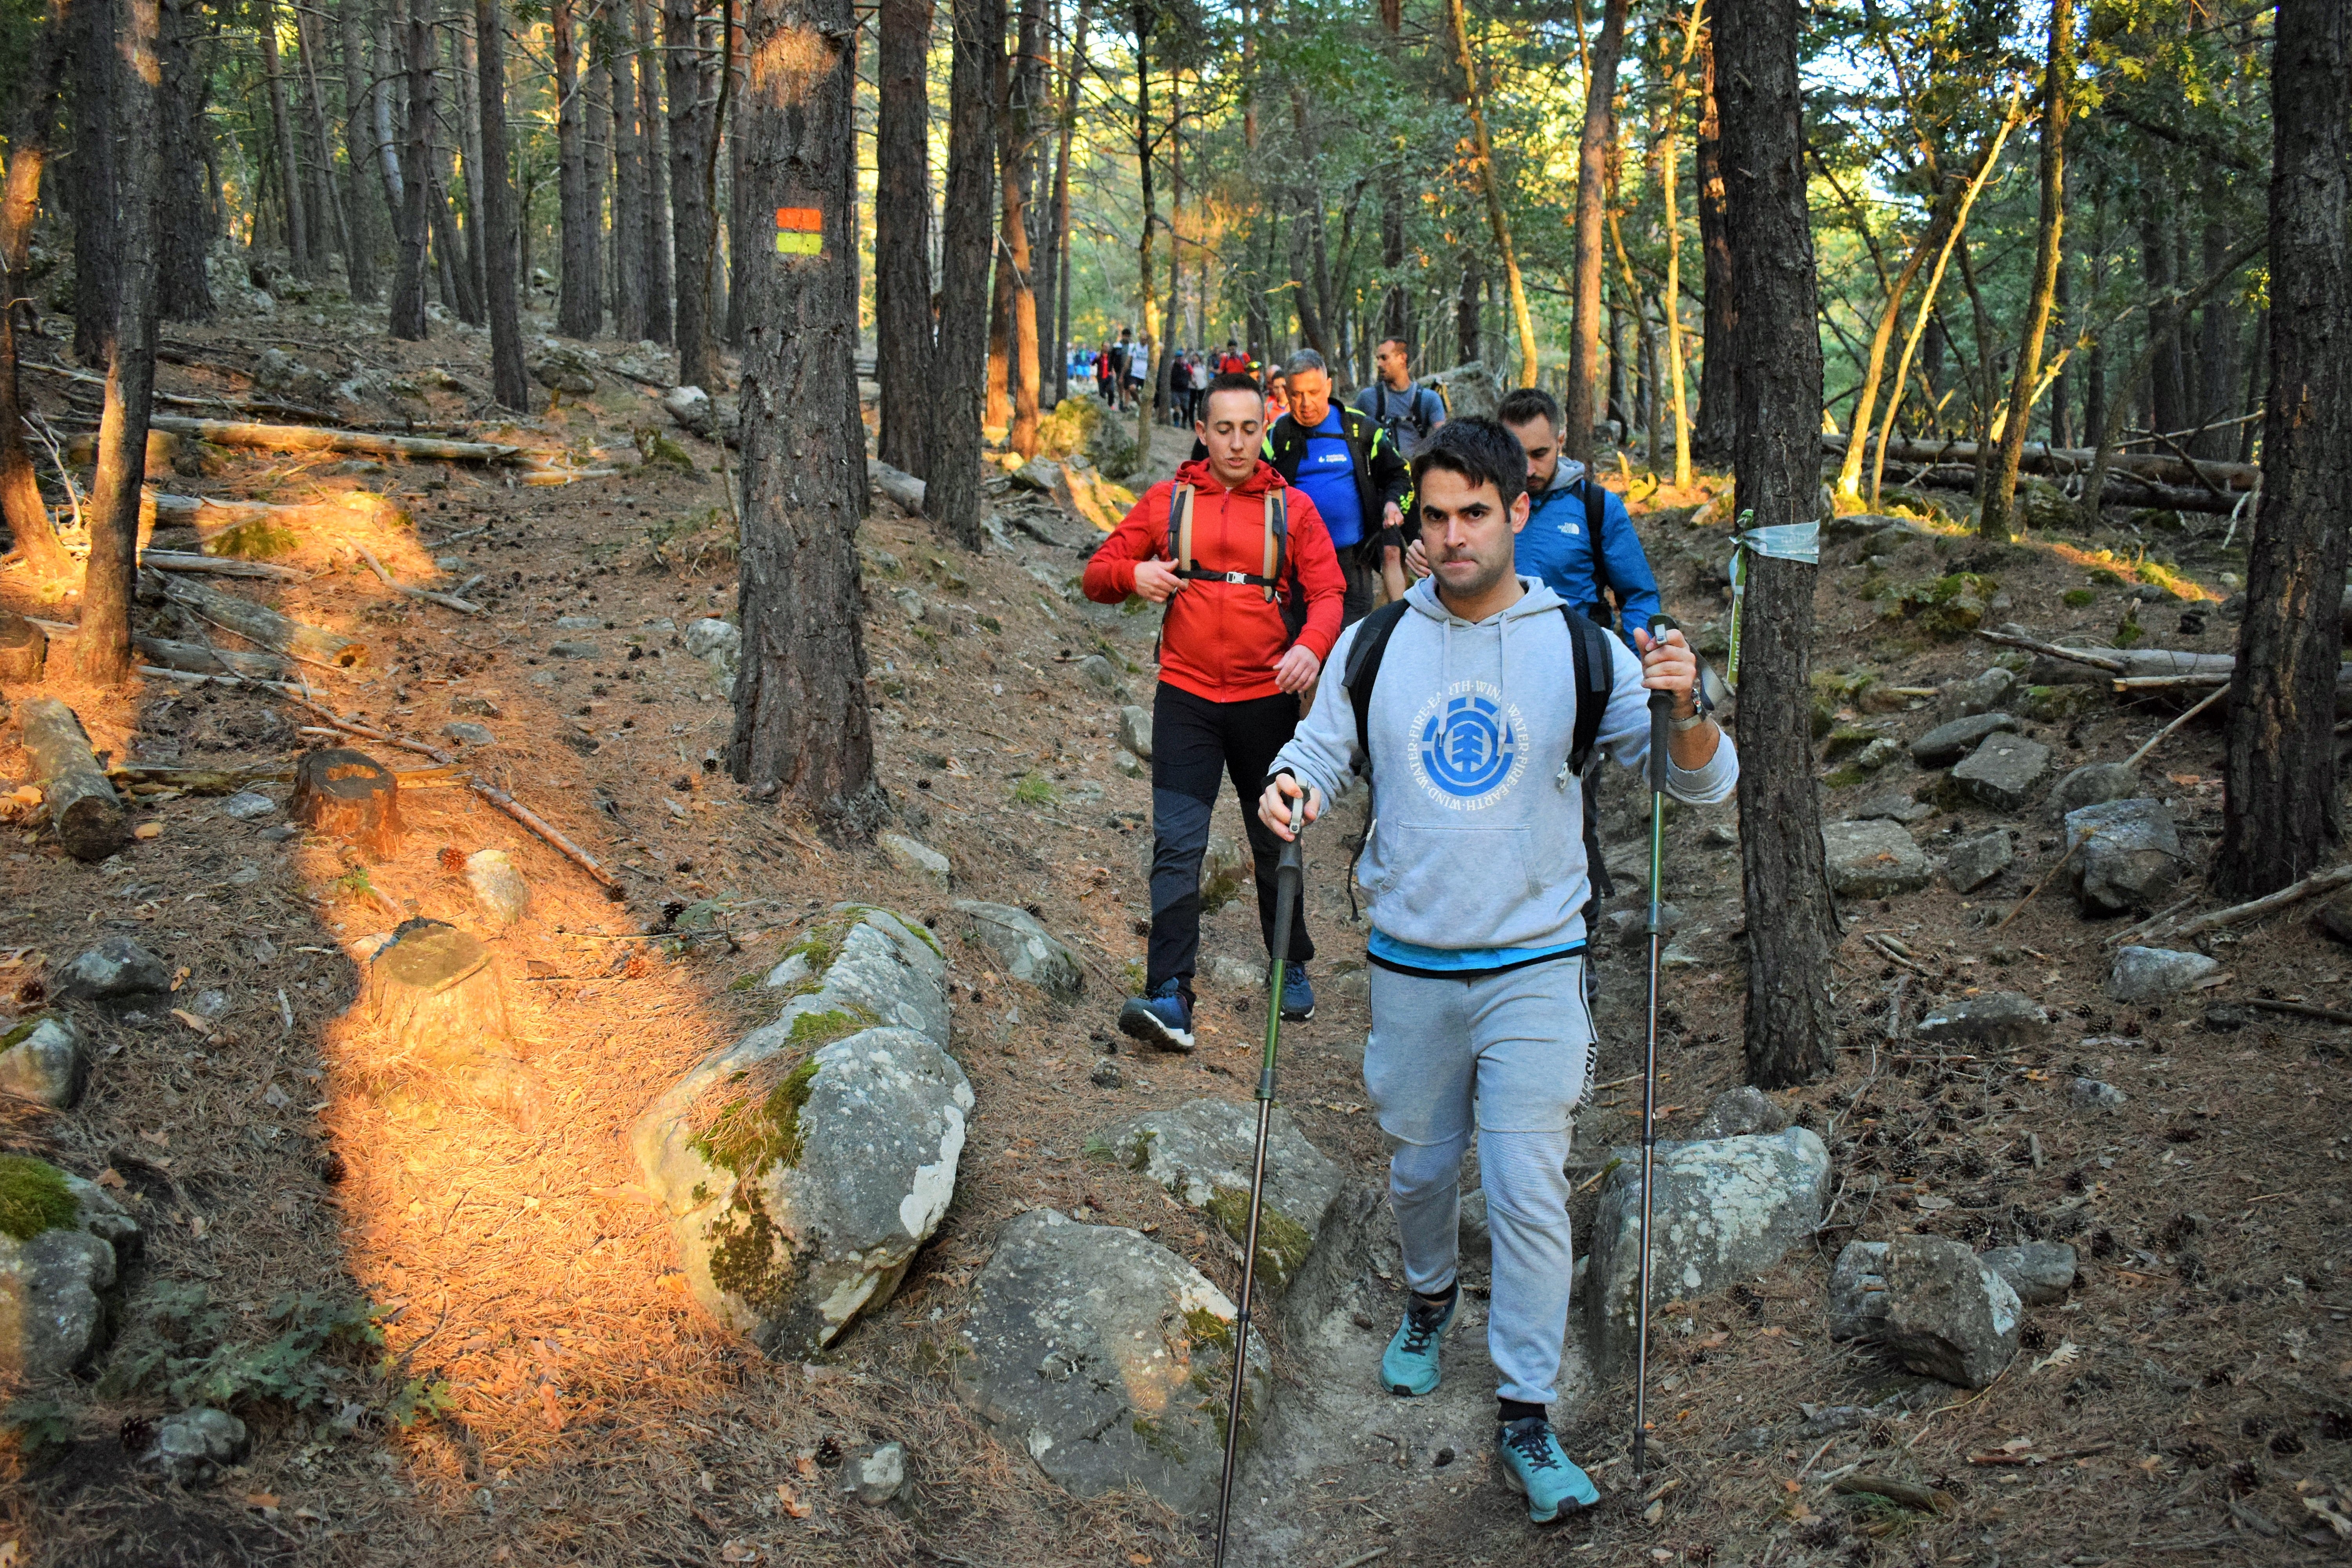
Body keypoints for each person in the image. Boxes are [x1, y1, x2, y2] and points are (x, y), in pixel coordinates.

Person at [1256, 416, 1735, 1526]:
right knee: (1421, 1172)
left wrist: (1690, 704)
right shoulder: (1376, 645)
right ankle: (1428, 1299)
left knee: (1525, 1191)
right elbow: (1320, 749)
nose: (1454, 536)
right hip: (1411, 963)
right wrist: (1293, 786)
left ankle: (1527, 1409)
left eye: (1477, 513)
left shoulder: (1581, 646)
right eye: (1436, 516)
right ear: (1414, 523)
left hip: (1538, 962)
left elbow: (1696, 785)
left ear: (1521, 511)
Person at [1083, 371, 1348, 1048]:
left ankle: (1289, 962)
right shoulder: (1170, 500)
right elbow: (1098, 573)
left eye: (1250, 429)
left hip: (1266, 702)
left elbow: (1328, 593)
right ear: (1201, 432)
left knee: (1275, 836)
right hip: (1187, 700)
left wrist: (1312, 650)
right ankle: (1169, 993)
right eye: (1223, 429)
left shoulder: (1292, 509)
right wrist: (1132, 575)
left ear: (1267, 429)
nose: (1237, 443)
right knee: (1178, 844)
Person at [1260, 349, 1410, 627]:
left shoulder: (1361, 430)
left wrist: (1393, 504)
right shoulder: (1277, 437)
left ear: (1329, 387)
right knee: (1303, 649)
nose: (1306, 404)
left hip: (1352, 563)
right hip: (1295, 567)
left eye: (1314, 392)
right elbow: (1253, 485)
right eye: (1296, 395)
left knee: (1348, 652)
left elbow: (1399, 474)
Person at [1355, 337, 1448, 459]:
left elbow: (1444, 442)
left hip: (1416, 473)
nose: (1379, 364)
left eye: (1384, 358)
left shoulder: (1430, 399)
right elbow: (1351, 438)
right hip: (1379, 474)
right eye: (1378, 359)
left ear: (1402, 358)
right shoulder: (1367, 398)